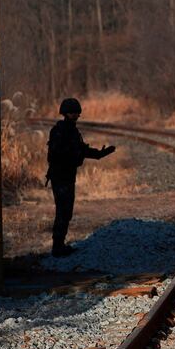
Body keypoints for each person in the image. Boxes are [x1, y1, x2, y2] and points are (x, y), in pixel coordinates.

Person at [46, 98, 115, 257]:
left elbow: (82, 149)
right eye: (72, 113)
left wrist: (100, 154)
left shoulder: (73, 132)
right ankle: (57, 246)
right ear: (65, 113)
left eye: (77, 113)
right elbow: (57, 153)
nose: (75, 115)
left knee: (66, 211)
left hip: (68, 175)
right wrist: (75, 154)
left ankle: (59, 245)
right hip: (60, 175)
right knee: (63, 210)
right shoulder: (59, 130)